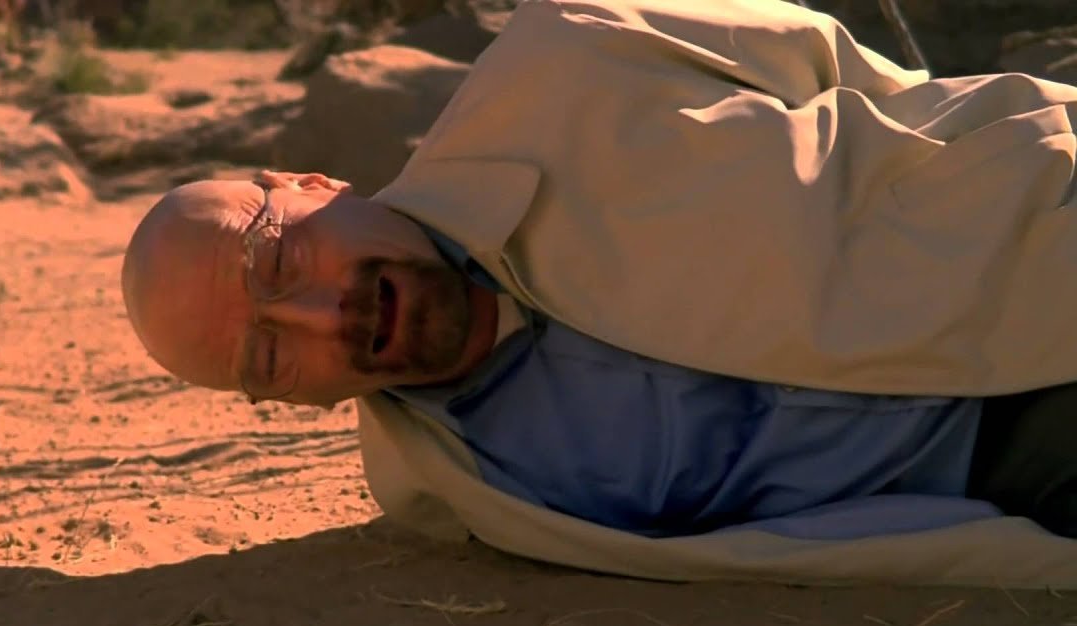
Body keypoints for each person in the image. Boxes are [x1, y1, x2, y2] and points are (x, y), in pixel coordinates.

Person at [121, 0, 1077, 588]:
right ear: (291, 404)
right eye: (270, 355)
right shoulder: (456, 495)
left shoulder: (571, 51)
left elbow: (842, 63)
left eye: (277, 264)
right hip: (1017, 494)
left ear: (310, 182)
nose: (326, 317)